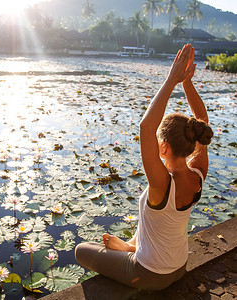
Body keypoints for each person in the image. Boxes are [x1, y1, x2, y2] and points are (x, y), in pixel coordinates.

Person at [75, 44, 213, 290]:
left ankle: (131, 251)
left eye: (159, 142)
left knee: (81, 251)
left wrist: (172, 79)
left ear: (163, 148)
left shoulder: (162, 183)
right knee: (153, 222)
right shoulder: (198, 174)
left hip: (151, 274)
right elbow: (203, 119)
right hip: (179, 266)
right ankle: (132, 246)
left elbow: (146, 127)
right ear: (194, 143)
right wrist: (187, 84)